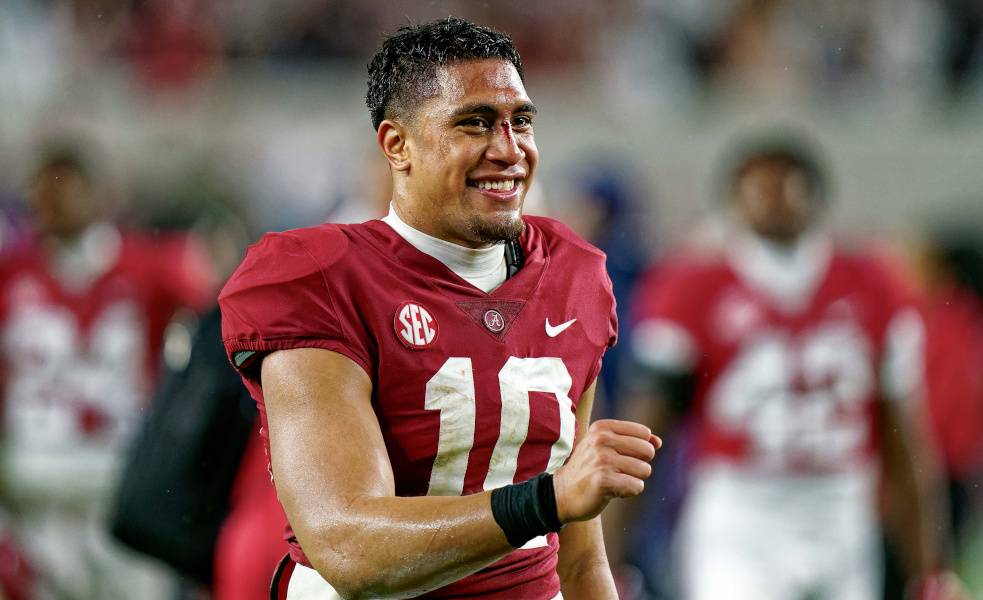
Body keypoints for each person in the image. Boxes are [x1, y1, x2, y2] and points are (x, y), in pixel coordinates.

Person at [218, 17, 661, 600]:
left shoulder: (575, 272)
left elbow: (578, 558)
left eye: (520, 122)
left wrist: (564, 509)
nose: (509, 150)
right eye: (474, 123)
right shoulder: (318, 276)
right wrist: (545, 499)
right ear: (397, 145)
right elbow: (348, 549)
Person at [618, 131, 955, 600]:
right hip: (741, 510)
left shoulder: (874, 282)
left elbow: (905, 440)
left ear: (819, 195)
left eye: (789, 181)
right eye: (761, 182)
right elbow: (643, 431)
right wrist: (608, 556)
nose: (776, 195)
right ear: (732, 198)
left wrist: (930, 572)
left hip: (841, 507)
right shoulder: (691, 285)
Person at [0, 142, 214, 599]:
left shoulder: (151, 268)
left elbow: (218, 325)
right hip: (32, 487)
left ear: (99, 192)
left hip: (118, 484)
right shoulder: (12, 271)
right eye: (43, 186)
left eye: (65, 184)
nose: (51, 199)